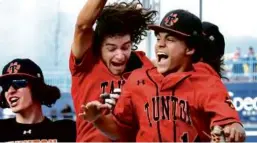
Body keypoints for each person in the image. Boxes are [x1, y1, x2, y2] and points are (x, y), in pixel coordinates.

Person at [79, 9, 246, 142]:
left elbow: (230, 123)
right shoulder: (138, 79)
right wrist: (98, 119)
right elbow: (119, 130)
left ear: (190, 49)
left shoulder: (205, 80)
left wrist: (233, 129)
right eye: (159, 37)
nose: (160, 44)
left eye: (170, 39)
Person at [69, 0, 157, 141]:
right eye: (111, 49)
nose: (120, 55)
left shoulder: (143, 66)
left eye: (125, 47)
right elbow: (82, 26)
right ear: (99, 47)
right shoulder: (87, 64)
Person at [0, 58, 76, 142]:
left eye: (18, 83)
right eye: (5, 86)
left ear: (37, 88)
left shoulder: (66, 131)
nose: (10, 91)